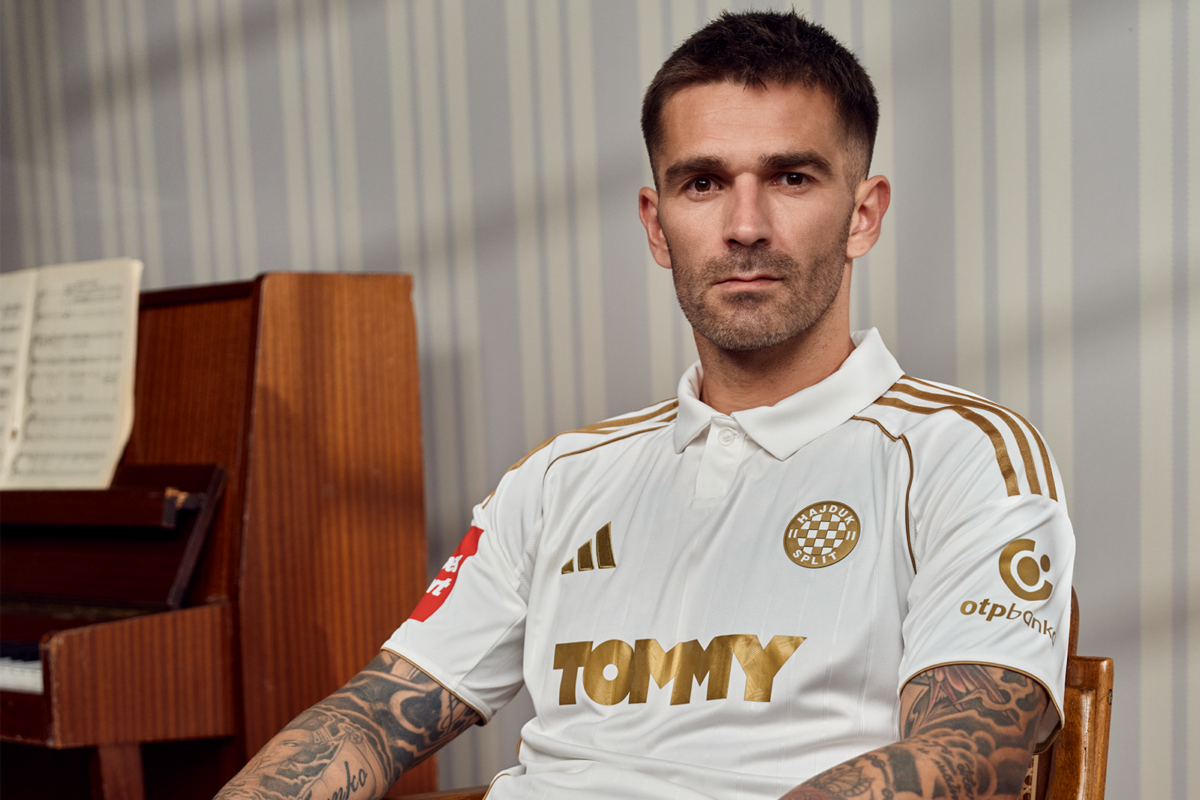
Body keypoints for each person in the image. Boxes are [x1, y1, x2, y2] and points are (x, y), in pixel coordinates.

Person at [215, 11, 1073, 800]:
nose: (745, 225)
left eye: (791, 177)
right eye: (702, 183)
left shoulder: (965, 456)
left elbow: (972, 755)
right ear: (657, 225)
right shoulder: (558, 478)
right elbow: (370, 717)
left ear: (863, 215)